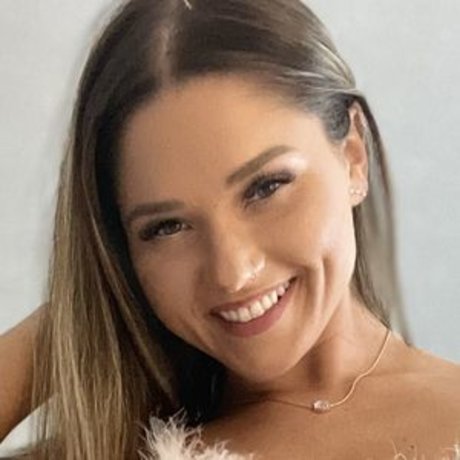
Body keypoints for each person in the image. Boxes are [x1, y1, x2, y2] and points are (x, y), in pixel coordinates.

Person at [1, 0, 459, 458]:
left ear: (353, 156)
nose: (233, 273)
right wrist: (79, 316)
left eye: (266, 187)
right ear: (123, 250)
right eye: (167, 227)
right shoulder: (109, 450)